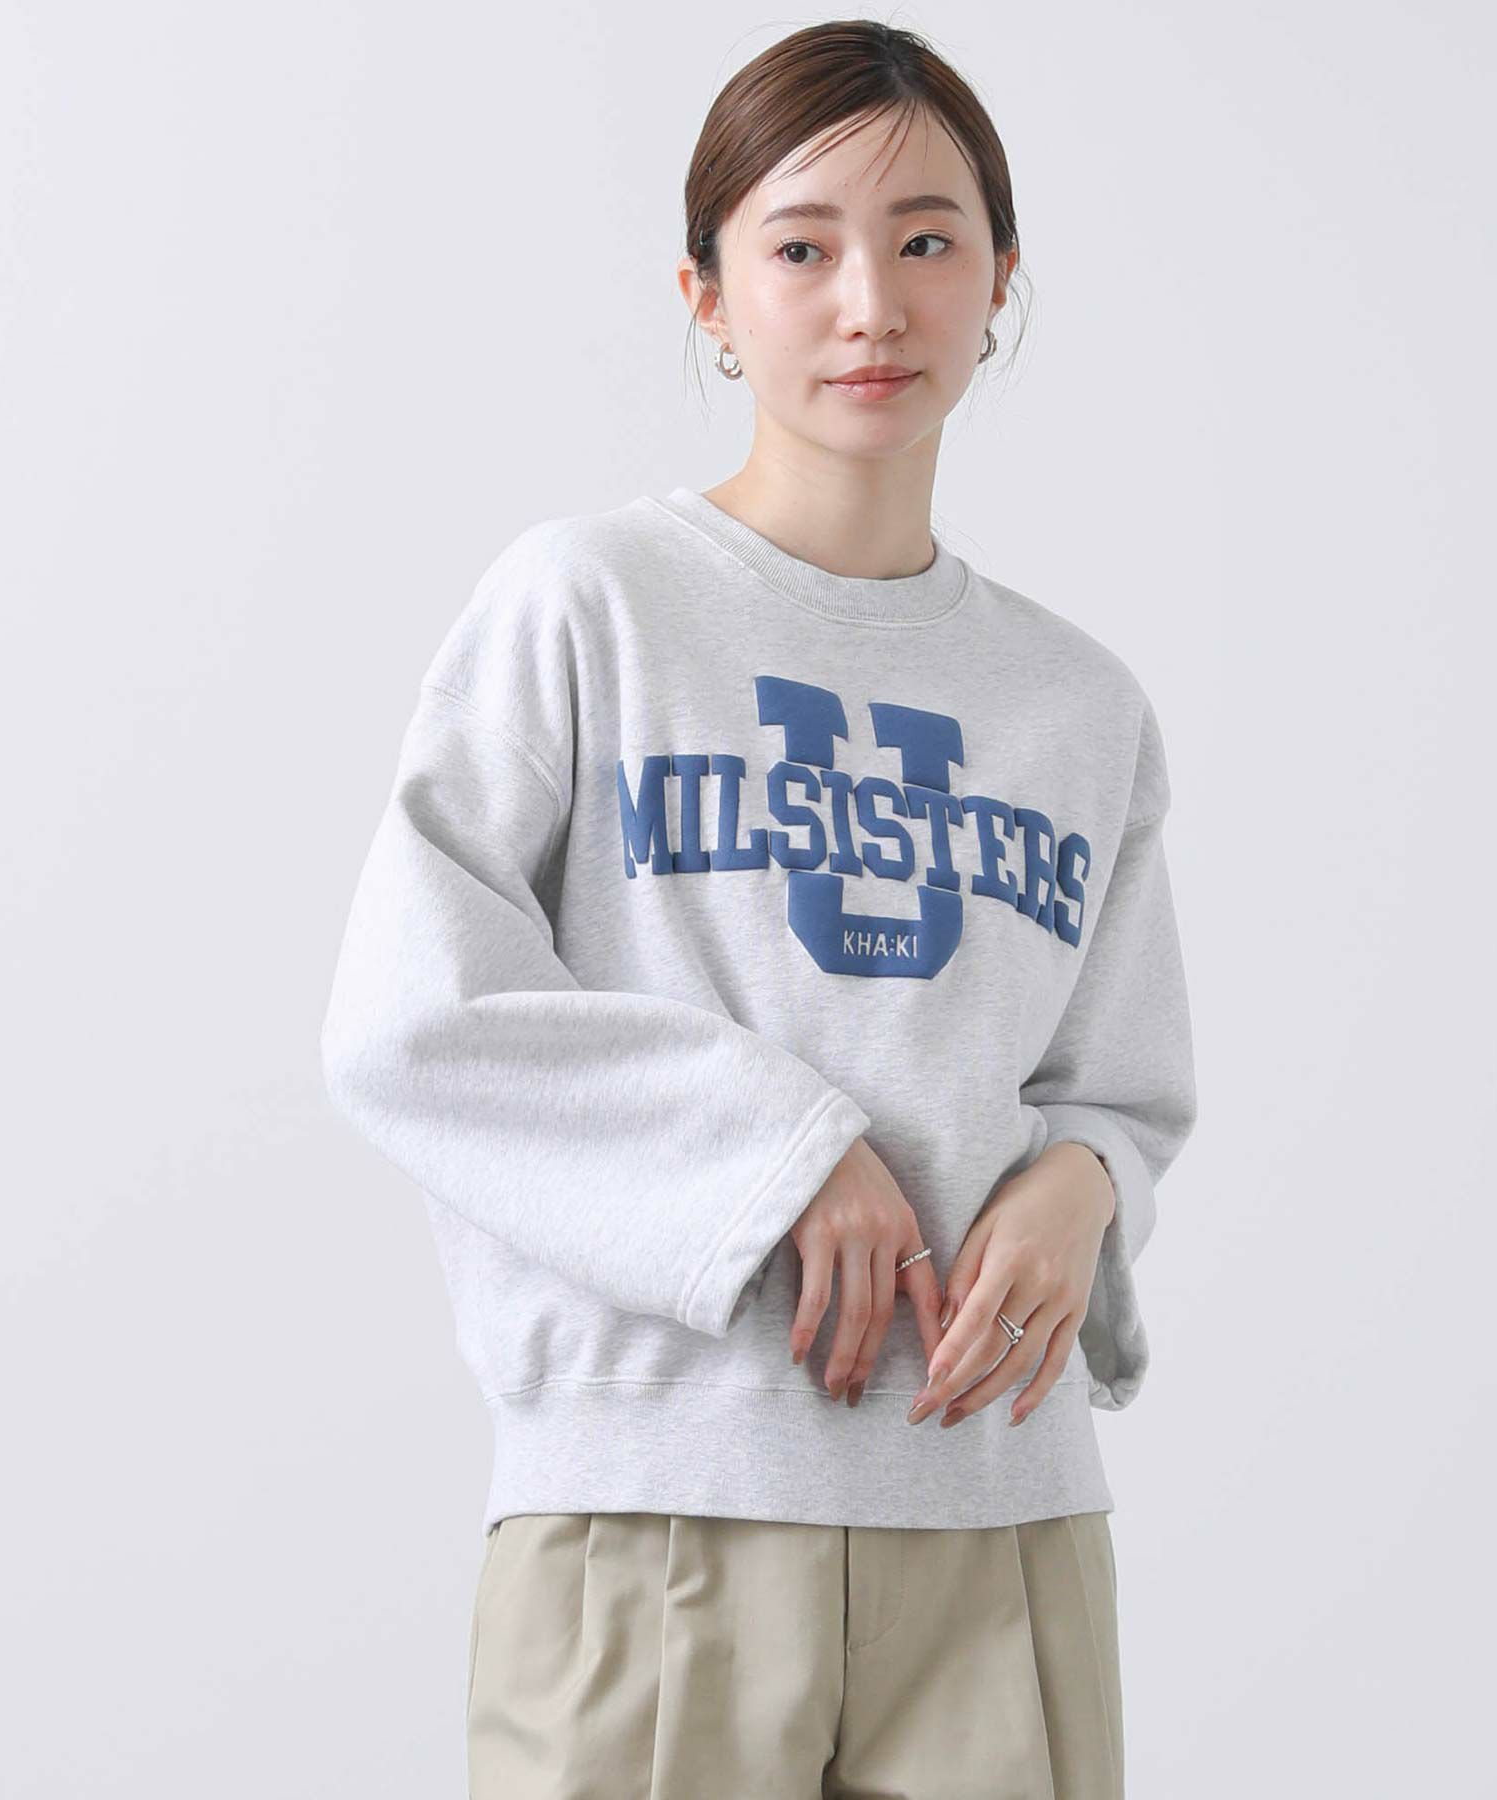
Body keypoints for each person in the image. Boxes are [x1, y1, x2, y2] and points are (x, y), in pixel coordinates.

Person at [319, 18, 1197, 1798]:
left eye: (928, 240)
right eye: (802, 247)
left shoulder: (1078, 703)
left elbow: (1122, 1082)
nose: (871, 303)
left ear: (1000, 283)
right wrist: (779, 1151)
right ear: (709, 297)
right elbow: (413, 1014)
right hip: (660, 1510)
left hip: (1003, 1524)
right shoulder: (590, 606)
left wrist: (1087, 1186)